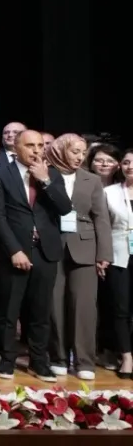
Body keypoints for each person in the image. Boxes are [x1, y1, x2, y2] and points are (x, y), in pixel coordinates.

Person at [0, 130, 72, 381]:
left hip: (45, 251)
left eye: (39, 146)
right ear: (16, 147)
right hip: (13, 252)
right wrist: (14, 250)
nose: (36, 150)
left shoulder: (53, 174)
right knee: (8, 311)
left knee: (41, 312)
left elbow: (65, 208)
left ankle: (38, 362)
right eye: (30, 145)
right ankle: (7, 360)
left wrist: (45, 180)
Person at [44, 133, 111, 380]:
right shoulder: (45, 174)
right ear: (61, 150)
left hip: (85, 246)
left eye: (83, 152)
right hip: (51, 245)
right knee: (54, 304)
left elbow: (101, 218)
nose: (80, 157)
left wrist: (104, 253)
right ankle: (58, 358)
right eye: (75, 151)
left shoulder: (91, 180)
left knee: (84, 306)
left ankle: (85, 362)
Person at [103, 148, 133, 378]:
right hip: (118, 255)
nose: (130, 167)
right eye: (126, 162)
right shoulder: (109, 192)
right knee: (120, 308)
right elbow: (102, 226)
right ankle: (126, 356)